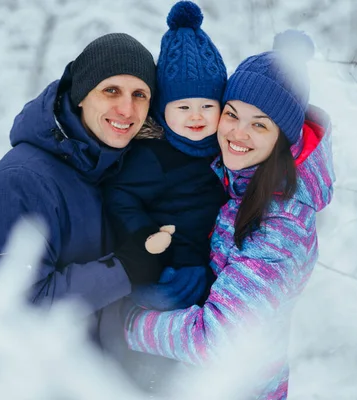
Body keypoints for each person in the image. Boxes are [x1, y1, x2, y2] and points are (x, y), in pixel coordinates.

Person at [121, 30, 335, 399]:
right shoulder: (238, 180)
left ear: (282, 138)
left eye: (259, 124)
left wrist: (129, 324)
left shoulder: (281, 226)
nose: (238, 132)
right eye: (232, 115)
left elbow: (219, 340)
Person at [0, 33, 161, 314]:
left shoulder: (115, 169)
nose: (127, 109)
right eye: (111, 90)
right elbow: (14, 312)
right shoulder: (19, 182)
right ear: (81, 95)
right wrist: (124, 270)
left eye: (139, 95)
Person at [99, 0, 228, 391]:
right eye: (183, 106)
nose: (196, 116)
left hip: (202, 271)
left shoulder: (222, 147)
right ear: (162, 109)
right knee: (156, 367)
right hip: (164, 268)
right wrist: (148, 240)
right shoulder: (153, 156)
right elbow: (120, 196)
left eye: (207, 105)